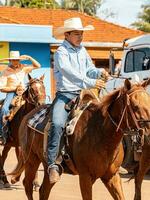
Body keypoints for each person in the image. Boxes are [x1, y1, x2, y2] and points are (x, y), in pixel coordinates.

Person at [47, 17, 110, 184]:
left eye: (81, 33)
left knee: (105, 115)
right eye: (77, 34)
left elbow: (89, 69)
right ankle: (53, 164)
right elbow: (69, 73)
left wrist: (100, 72)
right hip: (66, 95)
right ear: (66, 35)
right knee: (57, 123)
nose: (80, 37)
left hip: (84, 94)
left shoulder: (82, 50)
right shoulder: (61, 52)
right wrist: (91, 82)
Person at [0, 51, 41, 145]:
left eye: (17, 60)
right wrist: (15, 88)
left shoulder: (23, 68)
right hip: (12, 93)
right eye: (14, 60)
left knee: (37, 105)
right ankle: (3, 133)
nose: (15, 61)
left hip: (24, 92)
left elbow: (38, 66)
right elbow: (1, 87)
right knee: (4, 109)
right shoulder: (5, 72)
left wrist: (29, 57)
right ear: (10, 60)